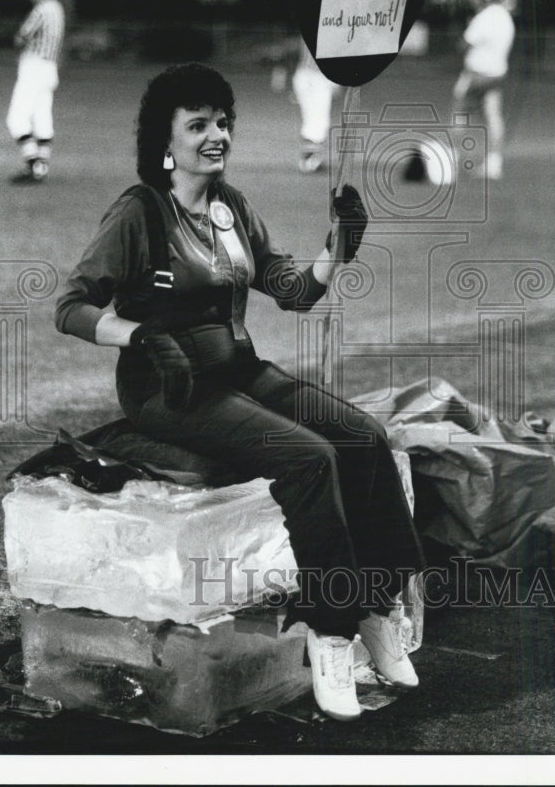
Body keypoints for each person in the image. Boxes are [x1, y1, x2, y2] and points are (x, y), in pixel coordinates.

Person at [55, 63, 425, 722]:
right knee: (308, 457)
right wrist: (138, 336)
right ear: (165, 142)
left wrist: (336, 248)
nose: (216, 134)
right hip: (167, 389)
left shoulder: (231, 206)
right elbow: (71, 307)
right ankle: (331, 633)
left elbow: (292, 291)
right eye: (197, 124)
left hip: (239, 370)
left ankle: (373, 609)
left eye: (222, 122)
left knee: (363, 438)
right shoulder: (139, 212)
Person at [448, 0, 517, 181]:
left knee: (459, 113)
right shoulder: (507, 20)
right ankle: (495, 163)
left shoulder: (486, 17)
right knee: (494, 116)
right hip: (497, 74)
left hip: (477, 73)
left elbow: (465, 42)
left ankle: (453, 159)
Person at [6, 0, 66, 183]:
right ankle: (41, 167)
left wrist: (19, 46)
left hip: (34, 67)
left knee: (17, 118)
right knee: (42, 118)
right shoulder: (58, 8)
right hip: (50, 67)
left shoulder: (41, 10)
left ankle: (33, 165)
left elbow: (21, 37)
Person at [292, 41, 340, 173]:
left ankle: (309, 160)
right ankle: (310, 162)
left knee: (311, 120)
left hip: (303, 75)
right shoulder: (328, 30)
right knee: (319, 121)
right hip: (317, 78)